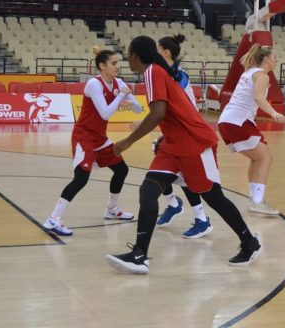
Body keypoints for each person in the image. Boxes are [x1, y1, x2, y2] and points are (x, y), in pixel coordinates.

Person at [105, 35, 261, 274]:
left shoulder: (152, 72)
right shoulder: (157, 72)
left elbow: (158, 113)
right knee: (148, 190)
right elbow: (170, 113)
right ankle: (139, 255)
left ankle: (249, 242)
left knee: (214, 198)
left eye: (128, 56)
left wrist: (127, 142)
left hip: (195, 143)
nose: (127, 60)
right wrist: (164, 135)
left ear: (135, 56)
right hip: (173, 145)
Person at [42, 46, 143, 236]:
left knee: (121, 170)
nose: (117, 67)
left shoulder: (119, 83)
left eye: (118, 63)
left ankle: (112, 209)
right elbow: (105, 113)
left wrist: (130, 101)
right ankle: (53, 219)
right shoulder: (93, 84)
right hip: (84, 137)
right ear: (102, 66)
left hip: (100, 138)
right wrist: (121, 96)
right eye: (114, 63)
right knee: (81, 179)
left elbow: (139, 109)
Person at [154, 34, 213, 239]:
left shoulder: (178, 75)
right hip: (174, 130)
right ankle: (174, 204)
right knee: (158, 170)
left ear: (165, 53)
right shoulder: (161, 73)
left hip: (189, 131)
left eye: (157, 49)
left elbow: (170, 101)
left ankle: (202, 220)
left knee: (189, 178)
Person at [217, 44, 285, 216]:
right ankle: (258, 202)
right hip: (237, 121)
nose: (276, 61)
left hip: (227, 121)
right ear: (267, 59)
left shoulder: (248, 72)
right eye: (275, 58)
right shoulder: (262, 75)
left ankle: (255, 200)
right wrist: (273, 113)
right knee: (266, 158)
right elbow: (258, 98)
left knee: (257, 159)